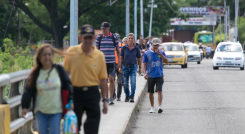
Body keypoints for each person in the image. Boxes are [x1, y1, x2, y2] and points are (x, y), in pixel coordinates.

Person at [64, 24, 108, 134]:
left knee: (92, 127)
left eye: (90, 38)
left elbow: (103, 79)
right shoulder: (72, 52)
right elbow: (65, 75)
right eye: (85, 38)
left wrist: (105, 100)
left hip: (92, 93)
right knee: (74, 127)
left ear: (94, 38)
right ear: (80, 38)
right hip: (75, 93)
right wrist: (65, 97)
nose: (88, 40)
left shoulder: (99, 55)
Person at [21, 44, 73, 134]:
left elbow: (68, 85)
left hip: (56, 111)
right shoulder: (35, 74)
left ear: (53, 56)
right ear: (39, 57)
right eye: (44, 55)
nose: (47, 57)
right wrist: (24, 106)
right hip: (41, 112)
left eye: (49, 54)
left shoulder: (59, 70)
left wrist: (71, 100)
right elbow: (28, 90)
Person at [96, 22, 121, 105]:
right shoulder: (99, 37)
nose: (103, 30)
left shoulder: (114, 37)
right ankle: (106, 98)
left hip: (111, 62)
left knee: (111, 79)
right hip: (102, 63)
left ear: (108, 28)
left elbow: (118, 51)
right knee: (105, 80)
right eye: (102, 28)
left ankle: (111, 98)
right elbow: (96, 51)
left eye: (105, 28)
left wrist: (119, 62)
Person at [143, 38, 168, 113]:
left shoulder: (161, 52)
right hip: (150, 75)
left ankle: (159, 107)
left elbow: (166, 61)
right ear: (151, 44)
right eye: (155, 45)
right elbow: (144, 64)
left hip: (159, 75)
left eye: (157, 45)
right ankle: (152, 107)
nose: (156, 46)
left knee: (159, 90)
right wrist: (145, 73)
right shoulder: (147, 53)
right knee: (151, 92)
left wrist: (160, 53)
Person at [120, 33, 141, 103]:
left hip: (133, 67)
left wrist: (140, 68)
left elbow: (139, 58)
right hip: (125, 67)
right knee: (125, 83)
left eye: (132, 38)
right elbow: (121, 58)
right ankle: (127, 95)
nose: (130, 40)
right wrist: (120, 67)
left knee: (133, 82)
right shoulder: (124, 48)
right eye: (129, 38)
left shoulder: (137, 48)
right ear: (127, 39)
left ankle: (132, 96)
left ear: (134, 40)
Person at [114, 33, 124, 101]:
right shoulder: (111, 46)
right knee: (112, 80)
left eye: (118, 38)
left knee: (119, 82)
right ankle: (113, 95)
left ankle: (119, 95)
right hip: (112, 64)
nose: (117, 39)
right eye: (116, 38)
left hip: (120, 64)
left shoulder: (122, 46)